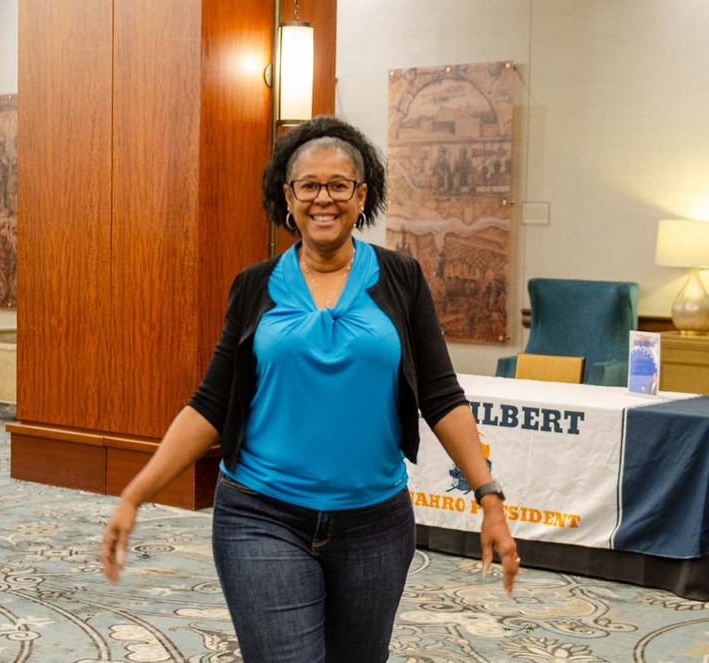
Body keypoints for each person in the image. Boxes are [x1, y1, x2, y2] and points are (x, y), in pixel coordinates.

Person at [100, 115, 518, 662]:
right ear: (288, 196)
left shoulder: (401, 279)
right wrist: (136, 492)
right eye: (309, 186)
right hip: (261, 515)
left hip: (375, 524)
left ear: (361, 195)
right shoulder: (255, 286)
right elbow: (210, 404)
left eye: (339, 185)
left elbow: (441, 398)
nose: (324, 199)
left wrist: (489, 497)